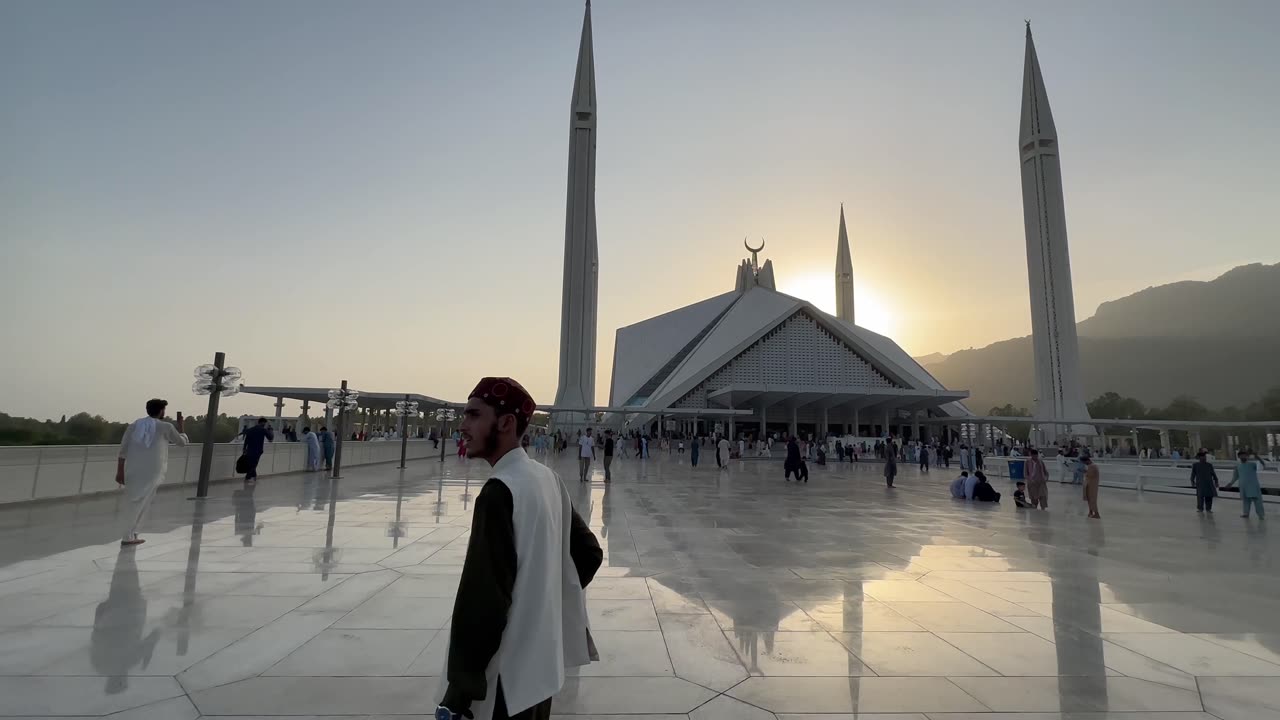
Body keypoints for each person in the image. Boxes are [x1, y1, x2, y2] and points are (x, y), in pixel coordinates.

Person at [436, 377, 603, 720]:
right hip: (542, 671)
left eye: (474, 415)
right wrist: (541, 607)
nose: (463, 425)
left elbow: (482, 601)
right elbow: (589, 553)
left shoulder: (499, 492)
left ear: (507, 423)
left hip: (504, 680)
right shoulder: (548, 479)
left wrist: (460, 688)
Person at [116, 399, 188, 546]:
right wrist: (181, 426)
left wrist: (120, 471)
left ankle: (133, 533)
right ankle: (128, 535)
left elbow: (123, 449)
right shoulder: (165, 426)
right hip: (153, 471)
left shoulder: (135, 425)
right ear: (161, 411)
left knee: (137, 500)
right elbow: (181, 442)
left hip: (133, 469)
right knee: (141, 501)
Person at [1224, 450, 1266, 519]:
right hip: (1243, 486)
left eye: (1244, 455)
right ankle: (1246, 513)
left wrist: (1258, 457)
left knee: (1257, 500)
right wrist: (1230, 484)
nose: (1243, 457)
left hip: (1253, 485)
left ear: (1247, 456)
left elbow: (1263, 465)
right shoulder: (1238, 466)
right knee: (1246, 500)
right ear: (1239, 457)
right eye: (1241, 455)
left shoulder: (1252, 464)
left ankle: (1260, 514)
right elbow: (1235, 477)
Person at [241, 418, 274, 484]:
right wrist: (270, 430)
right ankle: (249, 477)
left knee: (252, 464)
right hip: (258, 450)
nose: (265, 425)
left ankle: (252, 477)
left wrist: (244, 449)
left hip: (249, 450)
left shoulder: (251, 429)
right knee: (254, 464)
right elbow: (270, 438)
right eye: (265, 423)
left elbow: (246, 440)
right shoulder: (263, 430)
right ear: (263, 422)